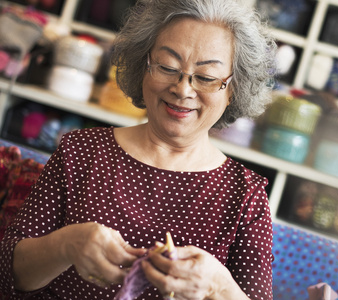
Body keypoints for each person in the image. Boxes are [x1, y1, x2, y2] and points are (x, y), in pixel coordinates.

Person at [0, 0, 276, 299]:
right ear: (142, 66)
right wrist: (66, 244)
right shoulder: (81, 151)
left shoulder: (245, 196)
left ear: (233, 89)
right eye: (167, 67)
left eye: (206, 78)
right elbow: (8, 274)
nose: (183, 89)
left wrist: (219, 288)